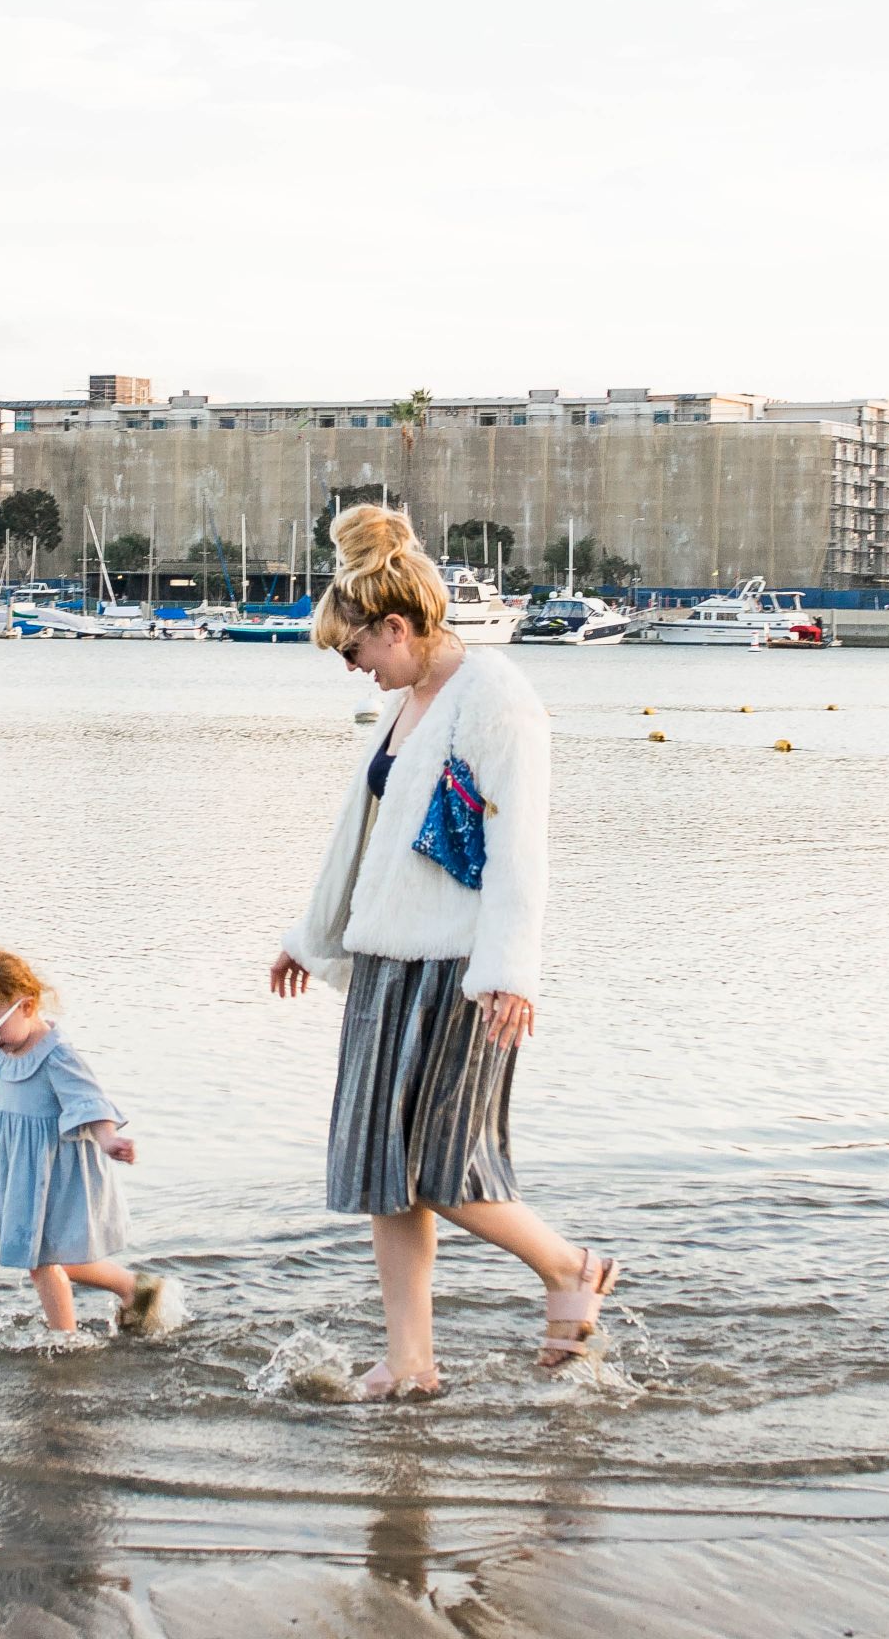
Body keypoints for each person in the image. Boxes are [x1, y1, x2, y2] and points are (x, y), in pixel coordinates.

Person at [270, 505, 619, 1399]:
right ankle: (412, 1362)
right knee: (387, 1174)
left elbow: (518, 845)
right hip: (386, 961)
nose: (356, 672)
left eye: (357, 654)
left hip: (458, 970)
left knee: (443, 1165)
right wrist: (310, 939)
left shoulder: (492, 693)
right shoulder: (411, 701)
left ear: (398, 627)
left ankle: (567, 1269)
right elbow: (366, 835)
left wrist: (509, 972)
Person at [0, 945, 175, 1335]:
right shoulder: (3, 1047)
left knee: (42, 1259)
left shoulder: (57, 1057)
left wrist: (109, 1139)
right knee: (52, 1256)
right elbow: (0, 1085)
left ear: (27, 1007)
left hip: (57, 1172)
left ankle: (64, 1340)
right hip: (23, 1170)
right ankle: (135, 1290)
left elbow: (89, 1102)